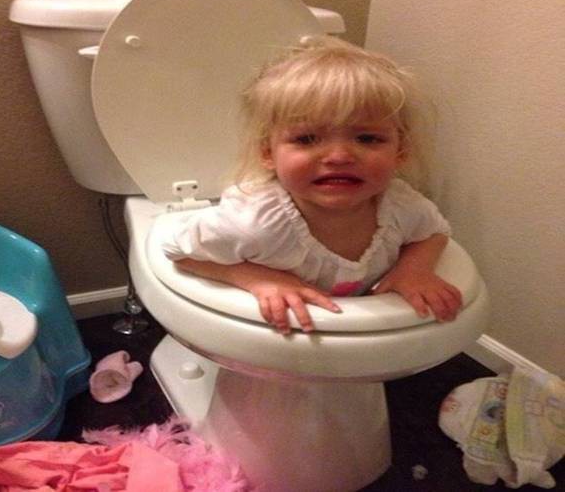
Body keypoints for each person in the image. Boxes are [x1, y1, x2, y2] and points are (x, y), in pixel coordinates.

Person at [162, 37, 462, 334]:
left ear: (400, 151)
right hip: (276, 331)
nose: (339, 156)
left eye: (367, 138)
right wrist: (256, 278)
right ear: (268, 153)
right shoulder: (251, 223)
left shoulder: (400, 206)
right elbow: (177, 251)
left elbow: (434, 232)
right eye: (306, 139)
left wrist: (413, 270)